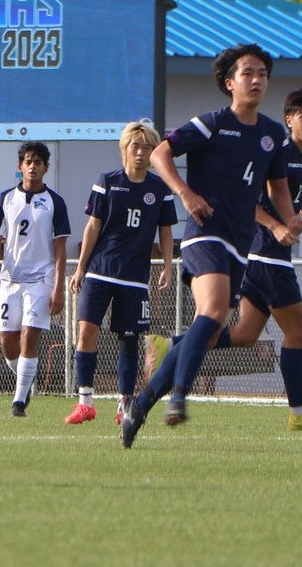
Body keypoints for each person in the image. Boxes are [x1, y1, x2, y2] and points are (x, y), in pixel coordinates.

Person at [120, 43, 302, 448]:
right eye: (248, 73)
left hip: (240, 244)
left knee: (210, 327)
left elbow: (277, 186)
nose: (257, 80)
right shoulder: (212, 123)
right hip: (205, 233)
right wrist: (186, 195)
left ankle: (143, 401)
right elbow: (159, 154)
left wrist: (287, 219)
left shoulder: (273, 134)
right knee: (215, 312)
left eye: (262, 74)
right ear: (230, 83)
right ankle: (179, 396)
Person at [152, 86, 302, 431]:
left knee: (243, 335)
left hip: (261, 257)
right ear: (289, 120)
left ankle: (174, 345)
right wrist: (274, 226)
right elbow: (251, 200)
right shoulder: (277, 151)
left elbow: (297, 200)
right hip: (266, 254)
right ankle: (299, 414)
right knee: (298, 330)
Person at [64, 121, 177, 426]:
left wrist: (167, 265)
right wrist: (81, 266)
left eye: (147, 147)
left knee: (128, 340)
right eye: (135, 146)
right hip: (100, 272)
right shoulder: (107, 181)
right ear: (124, 149)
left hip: (134, 277)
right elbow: (93, 226)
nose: (140, 153)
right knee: (86, 332)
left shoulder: (159, 189)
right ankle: (85, 402)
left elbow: (165, 232)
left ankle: (124, 403)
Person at [0, 142, 70, 417]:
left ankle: (18, 401)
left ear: (46, 168)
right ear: (20, 167)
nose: (33, 166)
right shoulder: (6, 199)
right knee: (7, 339)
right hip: (11, 280)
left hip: (41, 279)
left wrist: (59, 288)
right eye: (28, 161)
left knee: (30, 334)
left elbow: (61, 247)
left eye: (38, 162)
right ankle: (24, 382)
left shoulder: (55, 202)